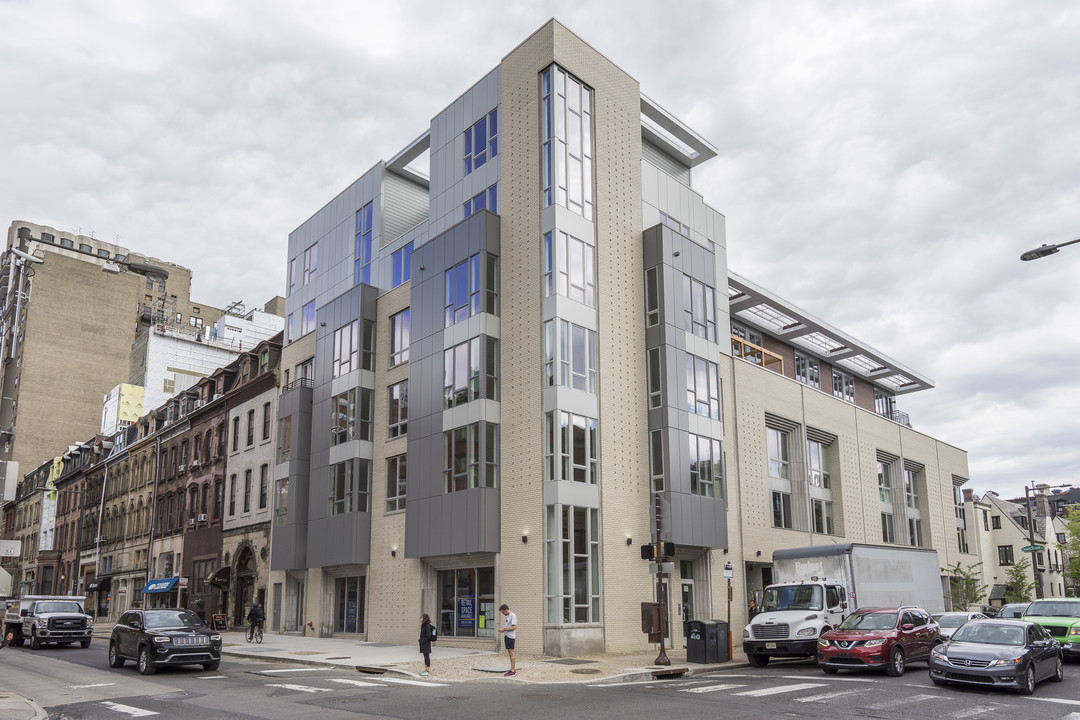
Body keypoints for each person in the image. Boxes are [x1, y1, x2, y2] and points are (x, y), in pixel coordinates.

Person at [498, 603, 517, 677]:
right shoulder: (508, 616)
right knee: (509, 652)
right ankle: (512, 669)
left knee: (511, 652)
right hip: (507, 636)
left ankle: (513, 671)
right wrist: (504, 630)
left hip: (511, 637)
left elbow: (514, 627)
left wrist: (504, 629)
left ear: (506, 610)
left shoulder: (513, 615)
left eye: (503, 612)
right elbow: (509, 627)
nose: (503, 613)